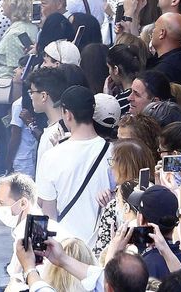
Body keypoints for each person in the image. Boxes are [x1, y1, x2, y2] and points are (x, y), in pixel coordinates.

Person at [34, 86, 114, 247]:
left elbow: (47, 213)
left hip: (65, 248)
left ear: (67, 114)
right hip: (103, 246)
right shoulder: (113, 152)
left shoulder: (51, 157)